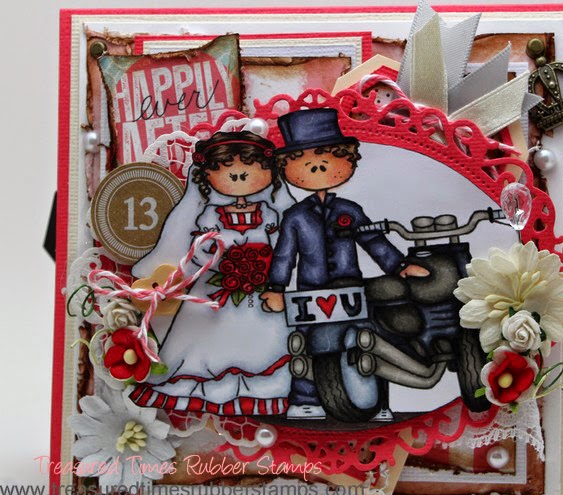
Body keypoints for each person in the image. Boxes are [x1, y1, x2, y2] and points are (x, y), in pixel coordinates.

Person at [260, 108, 429, 419]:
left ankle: (380, 403)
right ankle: (307, 398)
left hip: (351, 289)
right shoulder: (295, 217)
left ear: (348, 160)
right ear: (286, 168)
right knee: (305, 344)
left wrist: (399, 266)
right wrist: (276, 287)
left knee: (368, 338)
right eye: (303, 161)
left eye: (328, 157)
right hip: (309, 293)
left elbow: (373, 241)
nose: (317, 166)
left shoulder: (350, 210)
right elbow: (284, 254)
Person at [129, 126, 296, 416]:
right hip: (215, 288)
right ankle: (205, 385)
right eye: (227, 172)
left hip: (261, 289)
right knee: (206, 339)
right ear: (207, 176)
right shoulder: (210, 214)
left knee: (267, 340)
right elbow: (200, 247)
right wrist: (210, 254)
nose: (239, 178)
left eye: (250, 170)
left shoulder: (269, 213)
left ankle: (262, 388)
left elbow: (281, 242)